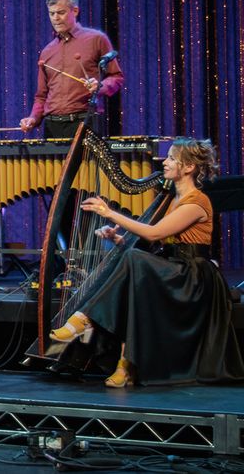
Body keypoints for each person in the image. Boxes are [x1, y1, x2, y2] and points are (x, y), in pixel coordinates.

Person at [48, 138, 244, 387]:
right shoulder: (172, 200)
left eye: (172, 158)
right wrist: (118, 239)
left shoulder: (197, 201)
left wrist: (109, 212)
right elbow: (160, 243)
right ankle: (125, 363)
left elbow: (154, 234)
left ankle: (85, 321)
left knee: (134, 260)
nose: (165, 162)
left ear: (189, 168)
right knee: (133, 272)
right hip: (174, 269)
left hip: (193, 277)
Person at [19, 0, 125, 139]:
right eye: (51, 13)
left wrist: (100, 86)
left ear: (74, 11)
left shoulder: (97, 39)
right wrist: (33, 118)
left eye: (61, 13)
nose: (56, 18)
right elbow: (41, 96)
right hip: (52, 125)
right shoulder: (47, 51)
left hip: (84, 121)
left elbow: (116, 77)